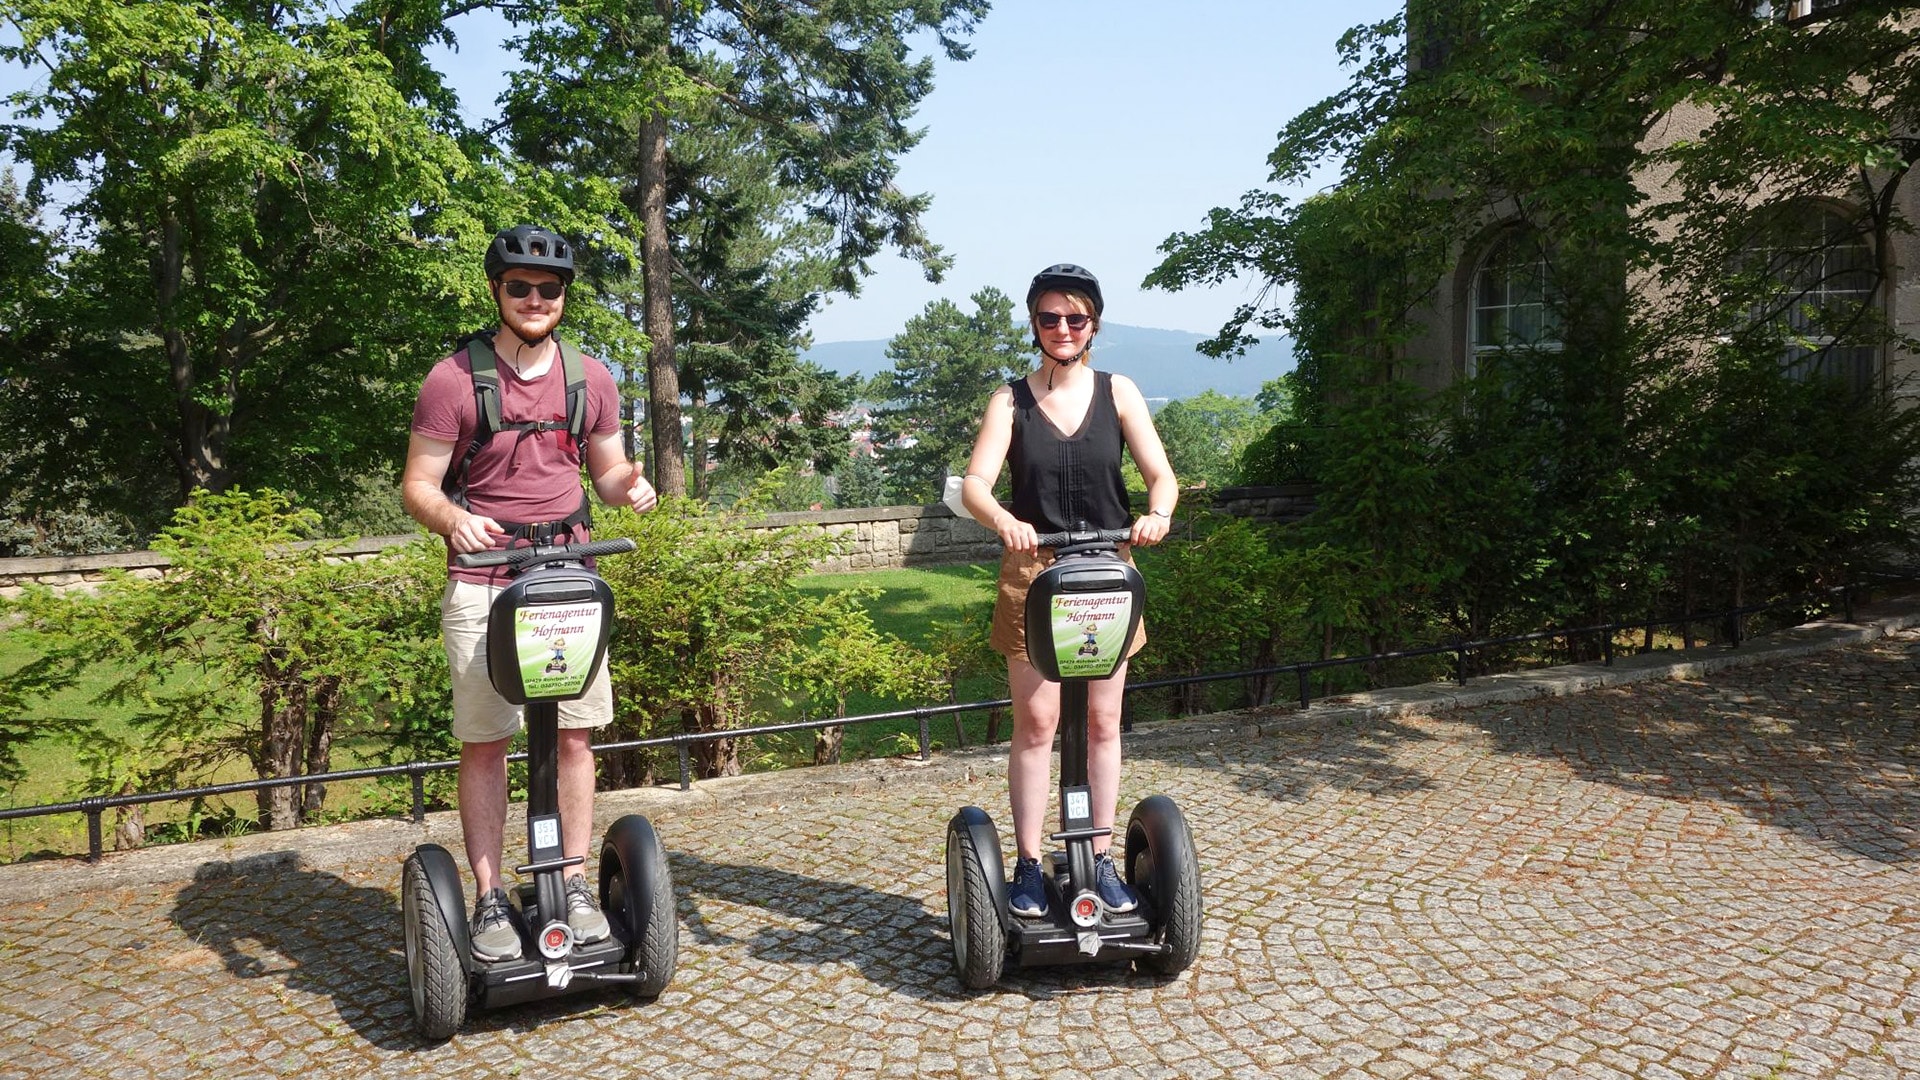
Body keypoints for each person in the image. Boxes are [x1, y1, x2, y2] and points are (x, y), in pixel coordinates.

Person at [401, 225, 658, 962]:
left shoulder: (591, 378)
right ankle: (486, 899)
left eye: (549, 289)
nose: (536, 299)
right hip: (484, 580)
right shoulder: (453, 379)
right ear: (497, 291)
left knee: (574, 735)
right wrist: (455, 519)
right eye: (521, 287)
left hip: (568, 579)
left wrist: (629, 488)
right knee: (487, 741)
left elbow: (605, 474)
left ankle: (572, 884)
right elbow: (418, 485)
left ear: (563, 296)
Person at [956, 263, 1178, 918]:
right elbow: (974, 483)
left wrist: (1157, 514)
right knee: (1038, 723)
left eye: (1074, 318)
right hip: (1035, 573)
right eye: (1049, 317)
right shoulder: (1011, 401)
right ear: (1034, 323)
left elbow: (1161, 476)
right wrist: (1004, 520)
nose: (1062, 328)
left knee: (1105, 721)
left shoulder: (1119, 393)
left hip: (1108, 569)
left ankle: (1101, 859)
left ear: (1094, 324)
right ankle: (1028, 865)